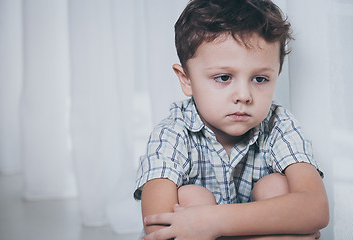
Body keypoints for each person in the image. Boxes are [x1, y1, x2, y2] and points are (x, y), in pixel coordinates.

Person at [134, 0, 329, 239]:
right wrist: (285, 228)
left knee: (277, 186)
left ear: (276, 74)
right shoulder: (172, 133)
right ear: (186, 80)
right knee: (191, 197)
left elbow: (315, 209)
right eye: (224, 77)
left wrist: (212, 222)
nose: (244, 96)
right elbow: (159, 228)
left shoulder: (279, 124)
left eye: (259, 79)